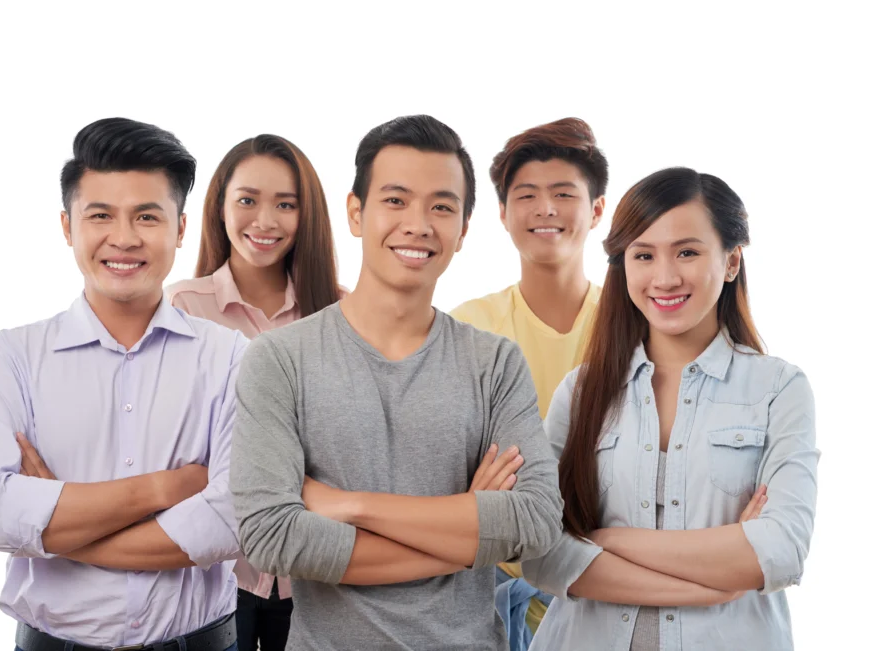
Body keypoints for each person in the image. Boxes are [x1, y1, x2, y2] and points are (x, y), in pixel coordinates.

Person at [229, 114, 563, 651]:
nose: (418, 223)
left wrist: (353, 505)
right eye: (396, 201)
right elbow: (271, 536)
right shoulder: (279, 359)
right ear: (356, 213)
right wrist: (465, 530)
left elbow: (537, 520)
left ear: (463, 230)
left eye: (441, 207)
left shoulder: (494, 362)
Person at [0, 118, 245, 651]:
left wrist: (57, 525)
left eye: (146, 216)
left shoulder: (231, 359)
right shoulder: (9, 360)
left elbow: (231, 521)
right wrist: (167, 488)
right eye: (100, 216)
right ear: (68, 228)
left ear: (180, 230)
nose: (123, 238)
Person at [522, 167, 819, 650]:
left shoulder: (778, 389)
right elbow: (540, 553)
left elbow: (781, 552)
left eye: (687, 251)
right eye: (643, 255)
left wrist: (607, 540)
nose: (664, 277)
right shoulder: (580, 393)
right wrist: (716, 577)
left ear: (730, 261)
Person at [167, 133, 344, 651]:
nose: (264, 221)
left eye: (285, 204)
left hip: (320, 574)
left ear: (306, 215)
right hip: (218, 576)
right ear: (219, 206)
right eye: (247, 200)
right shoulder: (181, 309)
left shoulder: (345, 314)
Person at [450, 118, 608, 647]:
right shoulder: (468, 326)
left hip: (610, 587)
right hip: (491, 592)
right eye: (527, 195)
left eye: (564, 193)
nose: (545, 209)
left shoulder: (636, 323)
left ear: (598, 209)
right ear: (502, 213)